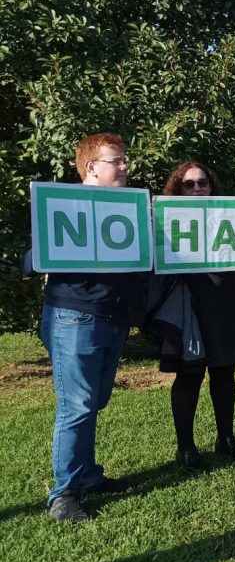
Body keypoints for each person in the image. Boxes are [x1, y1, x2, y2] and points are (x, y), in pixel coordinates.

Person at [41, 133, 144, 522]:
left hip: (112, 316)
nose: (124, 166)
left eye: (124, 159)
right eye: (116, 160)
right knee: (77, 405)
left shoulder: (130, 207)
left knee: (94, 401)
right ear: (90, 168)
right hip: (74, 317)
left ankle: (87, 475)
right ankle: (64, 494)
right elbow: (34, 256)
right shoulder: (62, 206)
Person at [160, 162, 235, 472]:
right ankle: (186, 448)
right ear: (178, 188)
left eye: (203, 182)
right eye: (189, 184)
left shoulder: (227, 215)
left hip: (226, 303)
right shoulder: (166, 220)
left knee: (224, 372)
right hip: (189, 305)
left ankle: (226, 438)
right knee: (189, 375)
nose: (197, 188)